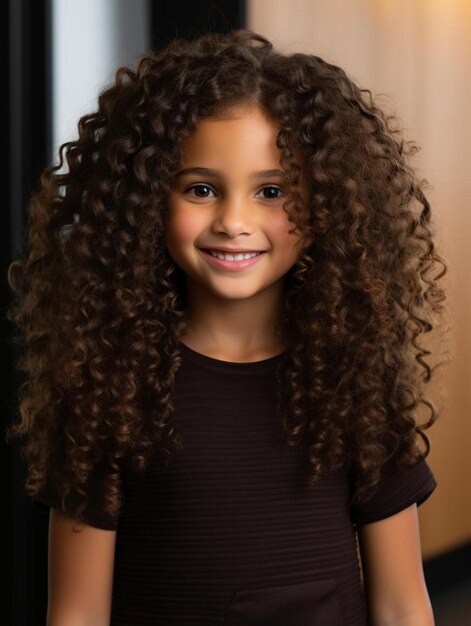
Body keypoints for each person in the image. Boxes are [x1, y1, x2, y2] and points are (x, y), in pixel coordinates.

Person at [6, 28, 449, 626]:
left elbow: (401, 604)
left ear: (328, 207)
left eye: (271, 190)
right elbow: (78, 612)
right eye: (201, 189)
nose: (234, 221)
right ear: (146, 202)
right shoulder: (109, 385)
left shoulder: (357, 381)